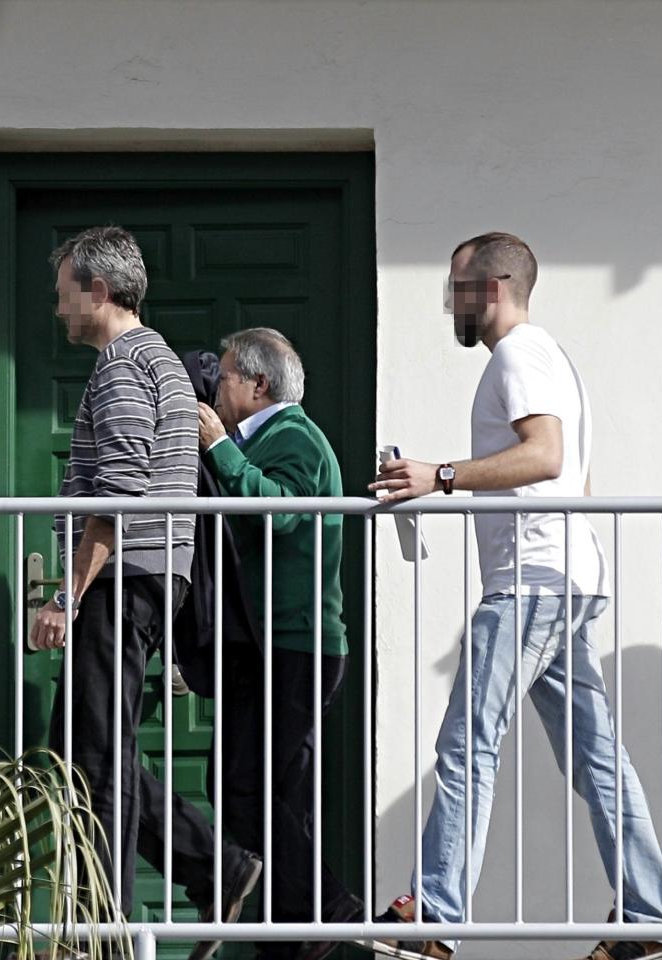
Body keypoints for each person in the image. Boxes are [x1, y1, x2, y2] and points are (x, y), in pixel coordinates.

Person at [367, 232, 662, 960]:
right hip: (563, 581)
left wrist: (438, 477)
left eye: (458, 286)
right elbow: (576, 478)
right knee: (596, 757)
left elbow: (545, 455)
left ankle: (435, 916)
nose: (451, 301)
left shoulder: (520, 355)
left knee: (467, 745)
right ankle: (649, 913)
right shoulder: (551, 358)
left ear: (496, 285)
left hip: (531, 588)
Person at [27, 225, 260, 960]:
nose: (58, 306)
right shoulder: (148, 358)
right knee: (83, 746)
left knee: (90, 756)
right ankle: (212, 866)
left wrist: (65, 595)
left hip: (125, 577)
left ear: (98, 291)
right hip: (143, 575)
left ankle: (106, 926)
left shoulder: (125, 366)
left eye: (64, 291)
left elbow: (120, 494)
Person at [196, 327, 363, 960]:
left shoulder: (292, 436)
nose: (218, 387)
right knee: (272, 792)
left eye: (228, 375)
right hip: (279, 645)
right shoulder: (273, 437)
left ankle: (325, 908)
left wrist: (220, 448)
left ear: (258, 384)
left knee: (243, 786)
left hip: (295, 646)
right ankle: (295, 934)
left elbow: (282, 510)